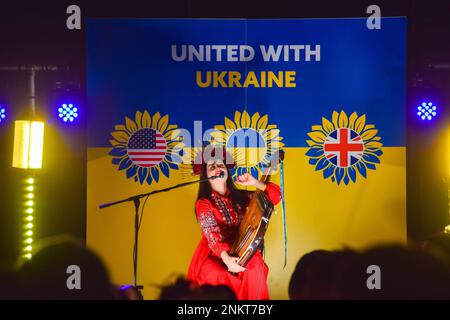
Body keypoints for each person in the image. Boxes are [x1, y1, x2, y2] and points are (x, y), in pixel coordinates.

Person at [187, 148, 281, 300]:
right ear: (205, 176)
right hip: (215, 253)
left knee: (255, 265)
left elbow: (275, 197)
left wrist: (255, 182)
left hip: (242, 247)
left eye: (220, 164)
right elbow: (212, 234)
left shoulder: (243, 197)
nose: (217, 168)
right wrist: (226, 258)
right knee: (215, 273)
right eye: (212, 166)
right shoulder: (204, 203)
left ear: (227, 170)